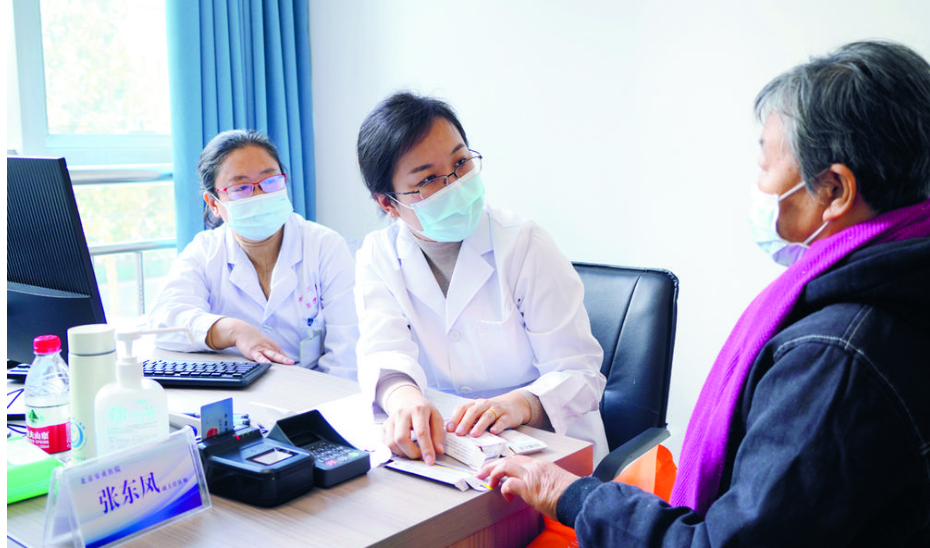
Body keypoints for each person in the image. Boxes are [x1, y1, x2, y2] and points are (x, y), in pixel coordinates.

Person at [479, 40, 930, 546]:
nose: (758, 184)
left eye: (766, 165)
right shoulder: (903, 286)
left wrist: (571, 494)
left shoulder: (833, 360)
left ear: (835, 190)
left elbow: (720, 543)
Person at [354, 92, 609, 466]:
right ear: (388, 203)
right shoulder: (378, 255)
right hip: (449, 448)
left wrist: (519, 404)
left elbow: (579, 373)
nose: (455, 185)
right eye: (429, 179)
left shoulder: (524, 244)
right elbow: (383, 352)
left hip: (545, 448)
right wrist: (403, 399)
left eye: (461, 163)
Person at [149, 129, 359, 380]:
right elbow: (163, 321)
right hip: (239, 391)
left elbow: (347, 351)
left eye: (270, 181)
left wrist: (326, 400)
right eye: (241, 187)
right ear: (214, 203)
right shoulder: (205, 252)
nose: (260, 194)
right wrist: (232, 330)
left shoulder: (324, 246)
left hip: (319, 391)